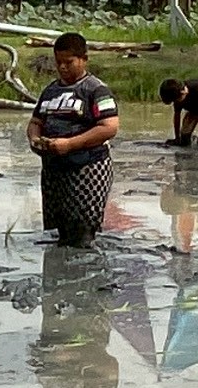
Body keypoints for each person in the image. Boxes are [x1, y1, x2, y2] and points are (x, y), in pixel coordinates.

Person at [28, 32, 120, 246]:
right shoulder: (50, 90)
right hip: (54, 170)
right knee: (63, 233)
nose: (62, 67)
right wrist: (34, 139)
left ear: (83, 59)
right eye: (58, 62)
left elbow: (109, 127)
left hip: (87, 168)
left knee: (82, 234)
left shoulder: (96, 90)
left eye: (68, 62)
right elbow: (35, 122)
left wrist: (70, 144)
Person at [158, 77, 198, 148]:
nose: (176, 102)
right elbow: (177, 117)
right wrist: (177, 138)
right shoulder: (176, 93)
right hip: (195, 111)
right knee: (184, 139)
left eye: (176, 100)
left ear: (183, 93)